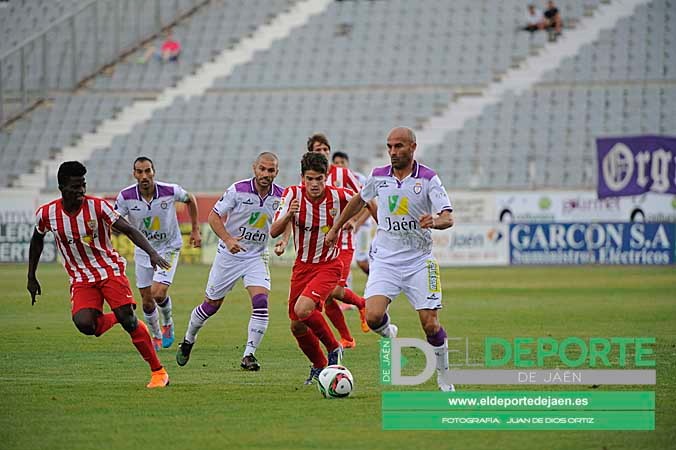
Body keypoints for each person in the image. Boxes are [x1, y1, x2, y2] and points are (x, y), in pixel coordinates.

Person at [326, 127, 456, 392]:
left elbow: (448, 217)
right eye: (389, 147)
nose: (393, 152)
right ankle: (389, 333)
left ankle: (444, 375)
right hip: (385, 259)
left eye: (399, 146)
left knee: (430, 324)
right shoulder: (378, 176)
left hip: (420, 260)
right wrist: (337, 226)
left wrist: (435, 221)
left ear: (412, 147)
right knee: (373, 317)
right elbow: (358, 200)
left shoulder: (429, 178)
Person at [27, 161, 171, 388]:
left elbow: (129, 230)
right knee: (85, 325)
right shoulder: (47, 214)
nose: (81, 191)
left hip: (109, 270)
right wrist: (31, 276)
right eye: (75, 187)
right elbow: (36, 241)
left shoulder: (98, 207)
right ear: (62, 187)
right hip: (81, 278)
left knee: (129, 322)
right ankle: (121, 313)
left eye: (83, 185)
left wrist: (152, 253)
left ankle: (158, 372)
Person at [176, 152, 283, 371]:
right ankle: (188, 339)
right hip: (229, 254)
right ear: (254, 168)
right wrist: (228, 239)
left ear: (276, 172)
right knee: (211, 305)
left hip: (256, 255)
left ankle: (249, 355)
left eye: (270, 170)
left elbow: (288, 220)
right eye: (262, 169)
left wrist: (284, 240)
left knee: (261, 301)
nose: (266, 174)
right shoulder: (237, 190)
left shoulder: (281, 195)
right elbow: (214, 217)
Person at [270, 152, 352, 384]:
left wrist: (368, 224)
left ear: (326, 177)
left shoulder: (338, 196)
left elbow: (365, 200)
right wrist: (289, 214)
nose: (314, 184)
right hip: (302, 267)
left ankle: (334, 348)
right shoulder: (291, 195)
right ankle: (318, 366)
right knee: (296, 325)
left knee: (304, 309)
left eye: (319, 179)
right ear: (302, 178)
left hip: (328, 265)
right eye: (309, 179)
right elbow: (274, 231)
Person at [114, 157, 201, 351]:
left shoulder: (170, 190)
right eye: (139, 172)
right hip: (143, 250)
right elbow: (114, 220)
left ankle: (167, 322)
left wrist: (195, 229)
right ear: (134, 174)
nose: (144, 176)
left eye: (147, 171)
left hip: (168, 247)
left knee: (158, 293)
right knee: (146, 301)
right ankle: (155, 336)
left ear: (154, 171)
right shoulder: (125, 196)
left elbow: (190, 199)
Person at [305, 134, 370, 349]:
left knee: (332, 291)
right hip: (320, 248)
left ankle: (362, 303)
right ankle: (347, 339)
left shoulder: (342, 173)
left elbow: (365, 198)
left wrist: (355, 221)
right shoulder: (308, 179)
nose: (323, 152)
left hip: (342, 243)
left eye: (325, 149)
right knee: (329, 298)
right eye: (318, 149)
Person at [331, 151, 372, 276]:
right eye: (336, 163)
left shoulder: (358, 179)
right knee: (340, 261)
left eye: (342, 162)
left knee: (362, 261)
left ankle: (378, 283)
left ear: (347, 164)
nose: (339, 165)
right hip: (343, 228)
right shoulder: (331, 180)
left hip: (362, 227)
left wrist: (356, 222)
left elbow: (369, 204)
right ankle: (342, 290)